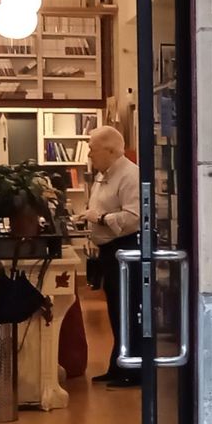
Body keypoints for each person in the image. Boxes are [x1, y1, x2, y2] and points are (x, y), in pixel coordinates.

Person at [77, 126, 142, 388]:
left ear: (112, 150)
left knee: (127, 309)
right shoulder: (103, 176)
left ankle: (133, 370)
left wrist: (101, 218)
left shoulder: (130, 175)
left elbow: (136, 217)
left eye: (93, 147)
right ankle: (118, 365)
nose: (90, 153)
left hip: (125, 249)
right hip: (109, 250)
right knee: (115, 310)